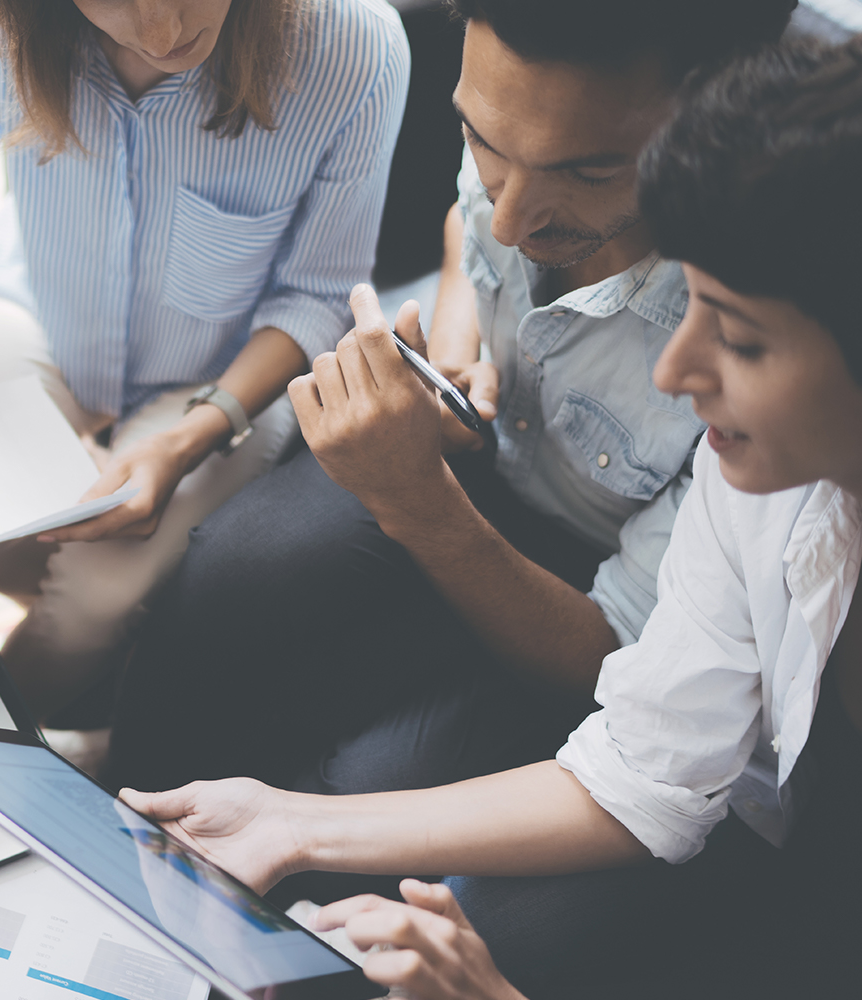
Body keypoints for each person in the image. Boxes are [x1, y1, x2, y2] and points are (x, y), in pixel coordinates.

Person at [121, 37, 862, 997]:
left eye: (742, 340)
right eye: (484, 145)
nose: (677, 373)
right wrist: (288, 824)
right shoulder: (765, 474)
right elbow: (647, 771)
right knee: (242, 576)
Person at [105, 0, 794, 812]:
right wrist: (457, 348)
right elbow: (467, 230)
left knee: (365, 784)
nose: (510, 217)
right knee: (229, 569)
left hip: (595, 599)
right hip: (476, 466)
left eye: (586, 173)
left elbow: (618, 665)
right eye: (483, 143)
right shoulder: (526, 121)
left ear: (716, 117)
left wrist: (418, 501)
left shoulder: (751, 334)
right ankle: (111, 801)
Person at [0, 0, 410, 719]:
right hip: (43, 309)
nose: (162, 36)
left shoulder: (352, 47)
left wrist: (187, 440)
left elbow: (316, 294)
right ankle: (125, 657)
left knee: (98, 596)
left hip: (228, 372)